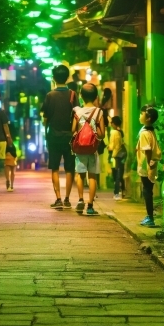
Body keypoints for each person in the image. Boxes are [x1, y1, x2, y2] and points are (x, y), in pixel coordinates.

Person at [41, 64, 77, 209]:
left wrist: (46, 130)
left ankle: (58, 199)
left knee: (54, 168)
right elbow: (76, 115)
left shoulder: (50, 95)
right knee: (70, 169)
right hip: (70, 136)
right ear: (67, 77)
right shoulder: (73, 95)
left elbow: (45, 117)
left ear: (54, 78)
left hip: (54, 136)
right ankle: (68, 199)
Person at [72, 83, 106, 216]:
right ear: (96, 96)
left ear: (81, 96)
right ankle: (90, 206)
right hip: (92, 149)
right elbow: (102, 134)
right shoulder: (99, 112)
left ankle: (80, 199)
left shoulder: (76, 111)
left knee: (80, 175)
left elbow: (73, 131)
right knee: (92, 176)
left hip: (80, 149)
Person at [136, 105, 161, 228]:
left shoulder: (144, 133)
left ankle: (150, 217)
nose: (140, 116)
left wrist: (149, 164)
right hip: (151, 164)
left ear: (148, 118)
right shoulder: (151, 130)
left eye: (142, 114)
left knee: (146, 191)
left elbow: (147, 150)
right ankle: (149, 215)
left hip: (147, 166)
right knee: (148, 190)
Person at [108, 116, 127, 200]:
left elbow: (112, 146)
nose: (110, 124)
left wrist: (108, 147)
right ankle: (123, 191)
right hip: (122, 155)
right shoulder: (120, 132)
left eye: (111, 122)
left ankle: (116, 193)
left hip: (115, 156)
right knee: (120, 173)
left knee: (116, 175)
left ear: (114, 124)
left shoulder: (113, 132)